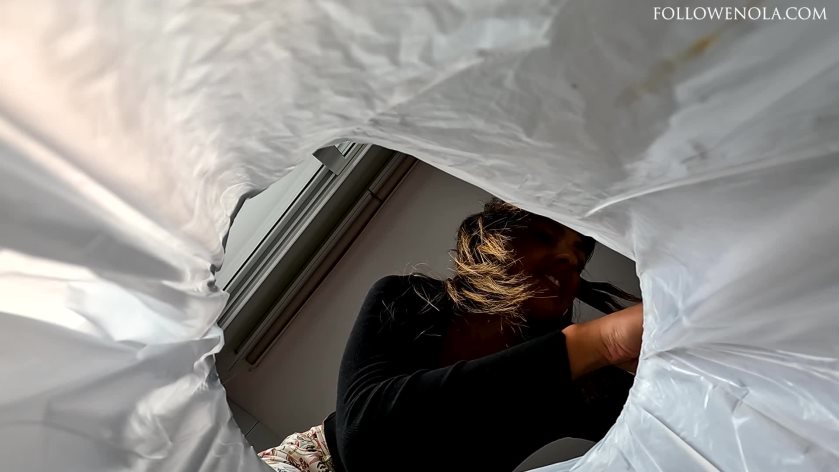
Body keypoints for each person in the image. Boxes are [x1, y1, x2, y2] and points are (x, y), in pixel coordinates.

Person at [259, 199, 643, 472]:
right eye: (544, 236)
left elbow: (660, 421)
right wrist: (599, 342)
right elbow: (365, 441)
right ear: (493, 239)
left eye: (578, 258)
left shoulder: (578, 381)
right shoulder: (405, 298)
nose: (568, 259)